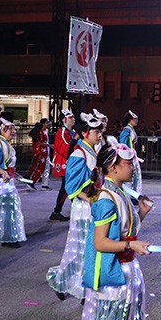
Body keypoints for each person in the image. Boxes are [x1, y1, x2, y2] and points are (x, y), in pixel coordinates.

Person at [62, 142, 159, 320]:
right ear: (113, 168)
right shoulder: (105, 198)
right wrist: (131, 245)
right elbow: (100, 242)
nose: (133, 167)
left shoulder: (120, 193)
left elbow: (124, 232)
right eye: (128, 163)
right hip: (114, 278)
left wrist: (142, 214)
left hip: (128, 272)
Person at [47, 113, 103, 300]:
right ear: (86, 133)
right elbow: (72, 186)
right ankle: (63, 281)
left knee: (89, 250)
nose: (100, 135)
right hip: (84, 209)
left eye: (100, 131)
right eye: (96, 132)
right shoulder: (79, 154)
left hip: (92, 206)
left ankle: (85, 288)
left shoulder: (91, 151)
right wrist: (89, 199)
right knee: (81, 250)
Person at [49, 109, 77, 222]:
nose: (73, 119)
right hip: (64, 163)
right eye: (71, 118)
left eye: (73, 117)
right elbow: (66, 149)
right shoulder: (62, 132)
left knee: (68, 187)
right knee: (67, 187)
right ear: (64, 120)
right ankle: (58, 211)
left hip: (69, 162)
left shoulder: (72, 132)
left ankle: (58, 211)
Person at [118, 110, 142, 194]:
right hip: (128, 155)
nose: (136, 121)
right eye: (135, 119)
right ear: (130, 120)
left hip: (131, 154)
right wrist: (125, 154)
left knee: (135, 176)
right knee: (130, 175)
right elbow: (123, 143)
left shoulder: (130, 129)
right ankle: (129, 193)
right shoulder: (127, 130)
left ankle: (133, 193)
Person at [27, 118, 50, 188]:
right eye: (47, 123)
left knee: (45, 168)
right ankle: (33, 181)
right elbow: (40, 143)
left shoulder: (44, 132)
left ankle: (44, 184)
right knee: (40, 168)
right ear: (43, 124)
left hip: (45, 152)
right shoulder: (40, 132)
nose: (48, 124)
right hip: (41, 152)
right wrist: (49, 145)